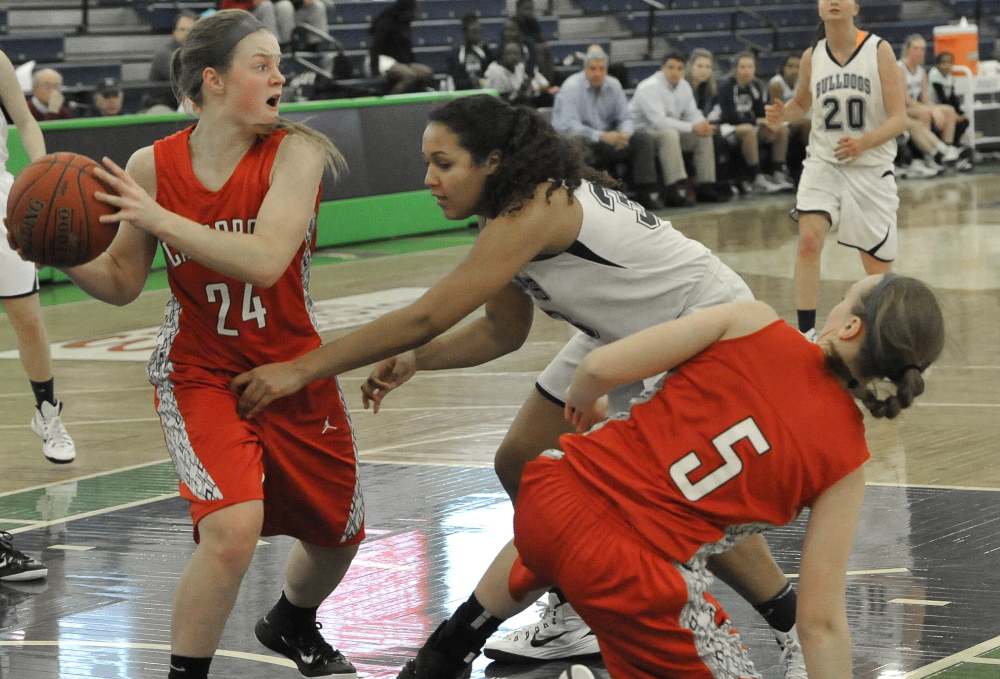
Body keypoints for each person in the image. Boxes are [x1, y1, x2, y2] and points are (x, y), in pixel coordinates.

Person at [230, 94, 811, 677]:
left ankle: (794, 624)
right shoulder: (504, 212)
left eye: (444, 163)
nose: (428, 179)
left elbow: (427, 314)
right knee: (522, 461)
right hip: (622, 334)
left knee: (676, 494)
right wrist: (418, 360)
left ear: (494, 161)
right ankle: (572, 609)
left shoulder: (533, 211)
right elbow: (502, 332)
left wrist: (302, 368)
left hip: (706, 332)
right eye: (428, 163)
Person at [394, 273, 945, 679]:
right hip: (636, 576)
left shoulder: (752, 320)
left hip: (552, 494)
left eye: (844, 296)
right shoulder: (846, 464)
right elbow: (820, 624)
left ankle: (446, 650)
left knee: (579, 515)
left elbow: (596, 368)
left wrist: (590, 409)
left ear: (848, 325)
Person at [54, 11, 362, 679]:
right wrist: (61, 252)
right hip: (201, 369)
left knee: (337, 535)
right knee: (231, 530)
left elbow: (266, 259)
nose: (280, 75)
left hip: (292, 364)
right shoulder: (152, 164)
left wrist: (162, 218)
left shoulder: (296, 152)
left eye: (278, 63)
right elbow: (120, 280)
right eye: (262, 64)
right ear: (214, 81)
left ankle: (291, 619)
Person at [766, 0, 908, 342]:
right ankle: (806, 333)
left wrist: (864, 143)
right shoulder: (811, 56)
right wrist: (781, 114)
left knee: (876, 271)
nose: (832, 0)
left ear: (855, 8)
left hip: (870, 168)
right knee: (808, 242)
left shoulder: (879, 50)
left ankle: (885, 337)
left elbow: (899, 118)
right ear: (818, 9)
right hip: (823, 163)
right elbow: (801, 104)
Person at [0, 51, 77, 465]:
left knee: (28, 321)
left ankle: (48, 414)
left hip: (1, 202)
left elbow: (26, 121)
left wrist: (41, 175)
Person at [552, 45, 659, 207]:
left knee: (643, 138)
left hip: (609, 138)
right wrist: (601, 136)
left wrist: (624, 133)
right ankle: (582, 197)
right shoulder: (571, 87)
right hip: (584, 138)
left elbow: (626, 116)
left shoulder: (614, 85)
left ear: (606, 70)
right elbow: (567, 125)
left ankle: (644, 192)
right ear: (585, 69)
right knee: (574, 141)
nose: (597, 73)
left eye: (602, 69)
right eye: (593, 69)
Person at [629, 50, 723, 207]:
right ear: (663, 68)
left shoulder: (684, 86)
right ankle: (673, 190)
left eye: (679, 68)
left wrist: (702, 125)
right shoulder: (649, 87)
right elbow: (658, 122)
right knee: (670, 134)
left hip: (667, 130)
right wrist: (693, 127)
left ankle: (705, 187)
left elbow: (692, 113)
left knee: (702, 136)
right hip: (643, 132)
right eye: (671, 67)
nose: (675, 72)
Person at [717, 52, 793, 194]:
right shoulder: (726, 87)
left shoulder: (756, 86)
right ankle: (757, 177)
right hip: (726, 127)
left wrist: (769, 124)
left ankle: (778, 173)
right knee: (749, 130)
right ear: (735, 69)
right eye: (743, 67)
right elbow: (729, 116)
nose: (747, 71)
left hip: (750, 125)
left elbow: (761, 112)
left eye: (750, 67)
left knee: (780, 129)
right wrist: (757, 121)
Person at [898, 34, 966, 165]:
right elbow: (906, 100)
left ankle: (948, 147)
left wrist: (934, 108)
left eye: (923, 49)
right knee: (925, 114)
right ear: (907, 50)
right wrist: (932, 111)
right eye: (915, 48)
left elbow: (925, 99)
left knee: (949, 110)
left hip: (915, 107)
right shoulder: (899, 68)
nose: (920, 52)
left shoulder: (921, 71)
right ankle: (933, 154)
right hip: (901, 108)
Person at [368, 0, 436, 94]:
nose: (417, 12)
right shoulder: (386, 22)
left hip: (399, 61)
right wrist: (375, 72)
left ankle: (417, 97)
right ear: (407, 9)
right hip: (381, 60)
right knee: (410, 76)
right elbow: (375, 48)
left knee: (426, 73)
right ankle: (393, 102)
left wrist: (413, 65)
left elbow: (406, 51)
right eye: (415, 10)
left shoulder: (405, 24)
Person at [769, 55, 810, 183]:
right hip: (779, 121)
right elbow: (777, 113)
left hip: (796, 119)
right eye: (790, 66)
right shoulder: (777, 84)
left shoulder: (803, 82)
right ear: (783, 68)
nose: (794, 70)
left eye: (798, 66)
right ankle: (813, 160)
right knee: (808, 124)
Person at [928, 51, 971, 163]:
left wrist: (960, 113)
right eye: (943, 63)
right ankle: (946, 146)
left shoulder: (949, 77)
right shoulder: (934, 75)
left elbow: (952, 97)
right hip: (935, 108)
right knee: (953, 117)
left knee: (964, 121)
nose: (946, 66)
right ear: (937, 64)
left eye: (949, 63)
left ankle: (954, 145)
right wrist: (955, 114)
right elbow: (942, 97)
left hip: (946, 108)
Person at [484, 41, 551, 107]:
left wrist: (525, 87)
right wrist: (521, 91)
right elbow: (503, 101)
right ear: (501, 55)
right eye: (508, 54)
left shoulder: (519, 66)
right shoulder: (496, 71)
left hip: (518, 101)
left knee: (546, 97)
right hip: (499, 106)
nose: (513, 56)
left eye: (516, 53)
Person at [447, 12, 493, 91]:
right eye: (474, 32)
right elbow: (455, 78)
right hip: (463, 93)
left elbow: (491, 73)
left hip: (483, 92)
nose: (477, 35)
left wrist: (480, 81)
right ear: (465, 32)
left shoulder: (484, 51)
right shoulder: (457, 53)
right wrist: (470, 82)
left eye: (479, 31)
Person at [512, 0, 555, 84]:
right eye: (526, 9)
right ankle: (536, 80)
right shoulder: (514, 21)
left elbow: (541, 36)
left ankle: (549, 81)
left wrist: (544, 43)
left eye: (531, 9)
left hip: (533, 46)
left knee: (546, 48)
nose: (529, 11)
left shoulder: (532, 20)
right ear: (518, 9)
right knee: (539, 54)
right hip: (519, 48)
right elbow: (519, 39)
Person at [151, 10, 197, 82]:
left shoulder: (199, 50)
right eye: (182, 29)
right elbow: (183, 78)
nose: (186, 34)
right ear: (174, 32)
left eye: (191, 30)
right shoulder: (164, 54)